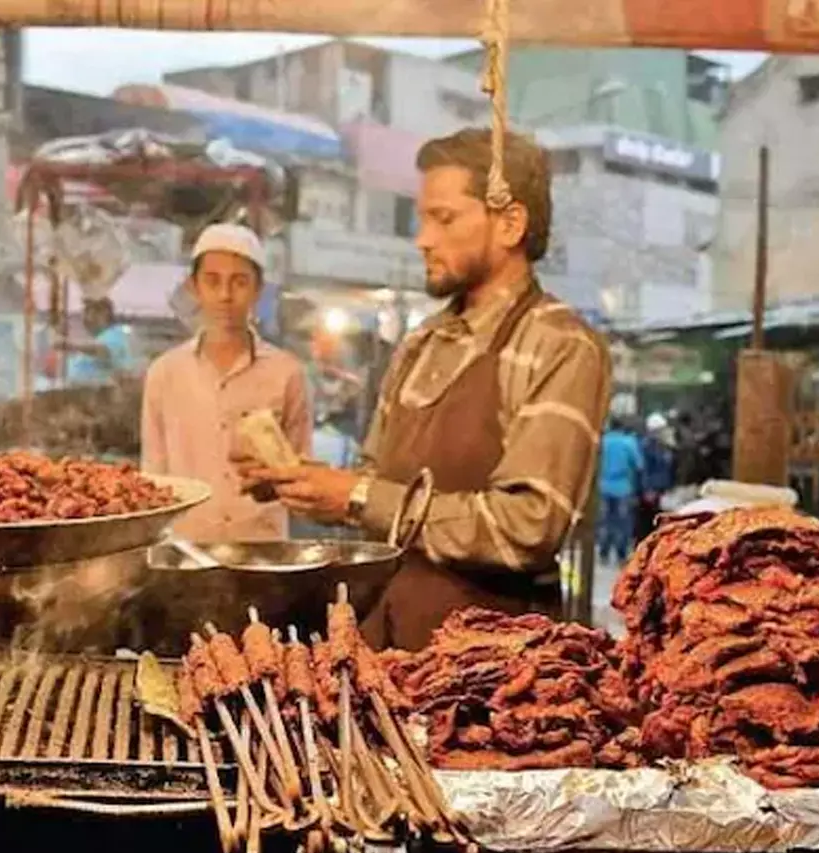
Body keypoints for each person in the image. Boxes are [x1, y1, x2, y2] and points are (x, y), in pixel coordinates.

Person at [239, 127, 612, 650]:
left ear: (510, 223)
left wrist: (359, 495)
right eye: (422, 218)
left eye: (444, 217)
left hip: (490, 671)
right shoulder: (422, 342)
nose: (422, 238)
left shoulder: (561, 344)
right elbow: (374, 488)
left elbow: (529, 527)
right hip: (386, 644)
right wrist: (310, 486)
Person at [141, 223, 312, 543]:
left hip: (263, 552)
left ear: (258, 290)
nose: (225, 295)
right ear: (194, 286)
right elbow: (152, 476)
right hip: (186, 552)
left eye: (239, 282)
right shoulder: (164, 373)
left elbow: (302, 477)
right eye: (212, 281)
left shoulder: (287, 374)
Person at [597, 416, 644, 565]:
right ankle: (621, 554)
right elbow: (639, 465)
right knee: (623, 522)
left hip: (603, 486)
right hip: (623, 488)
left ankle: (603, 552)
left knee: (605, 521)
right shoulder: (629, 442)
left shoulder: (602, 442)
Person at [61, 297, 133, 384]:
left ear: (103, 313)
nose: (83, 317)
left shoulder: (115, 335)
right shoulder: (97, 339)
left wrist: (72, 345)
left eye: (88, 311)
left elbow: (103, 350)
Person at [635, 411, 676, 542]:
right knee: (647, 523)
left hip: (659, 490)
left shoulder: (662, 445)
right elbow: (644, 469)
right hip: (651, 491)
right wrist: (648, 489)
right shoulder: (647, 446)